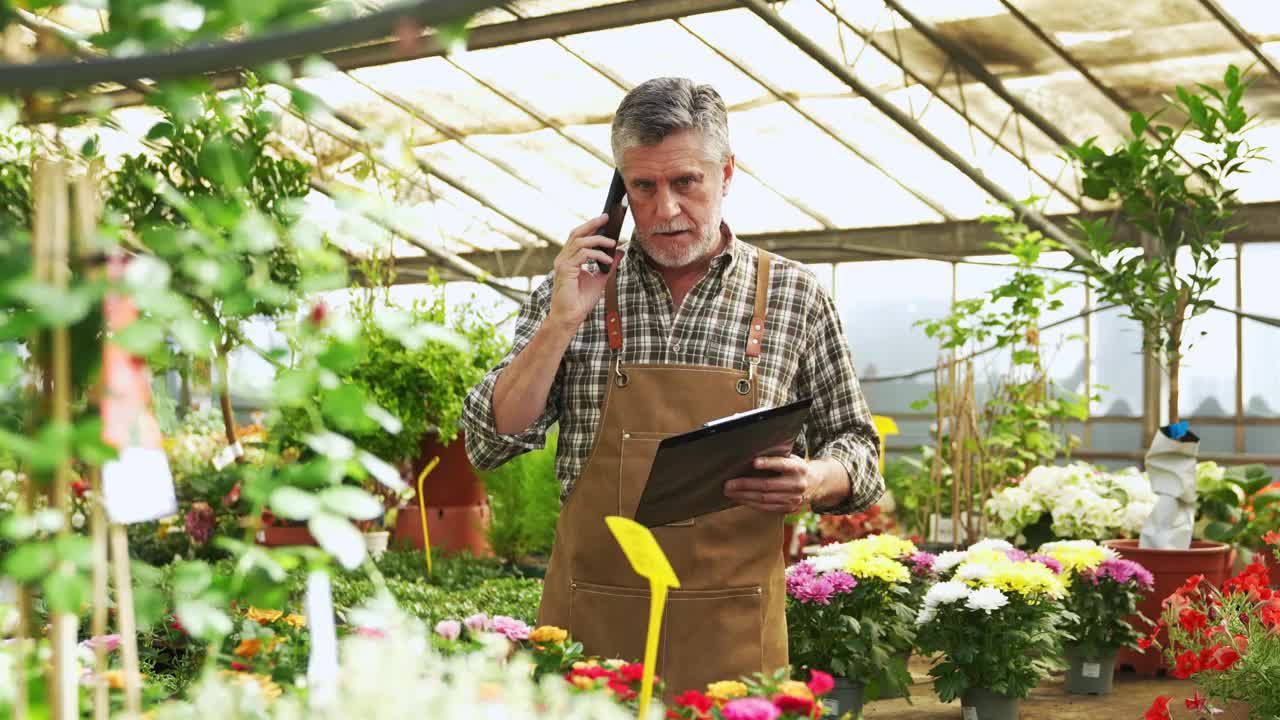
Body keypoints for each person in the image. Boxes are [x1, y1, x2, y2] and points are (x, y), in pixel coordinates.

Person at [461, 77, 883, 695]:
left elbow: (860, 449)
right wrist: (561, 321)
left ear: (727, 173)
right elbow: (488, 440)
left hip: (734, 637)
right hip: (593, 635)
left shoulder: (795, 296)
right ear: (620, 189)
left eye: (686, 182)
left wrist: (813, 479)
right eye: (643, 187)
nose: (665, 211)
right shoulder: (577, 288)